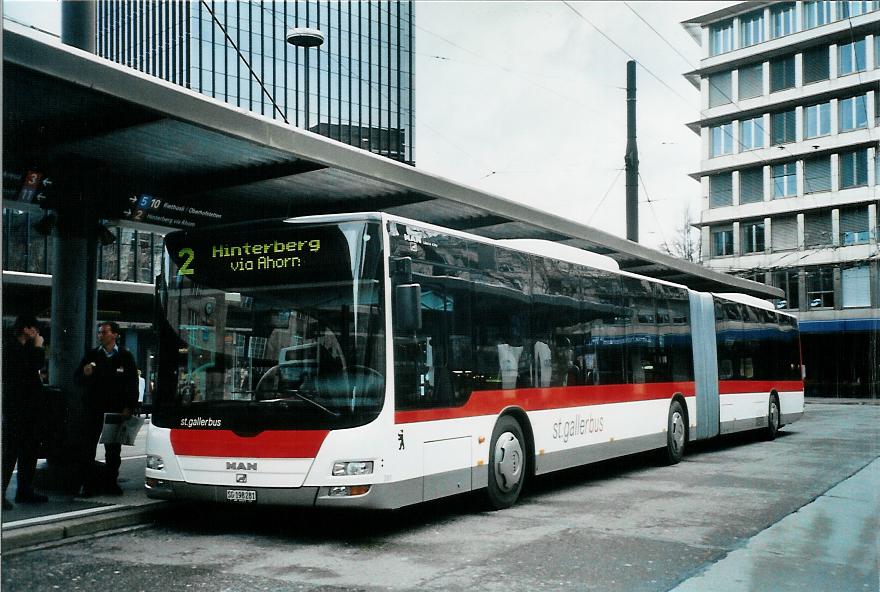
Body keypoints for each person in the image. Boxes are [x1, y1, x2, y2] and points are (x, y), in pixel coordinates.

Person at [74, 321, 138, 496]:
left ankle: (111, 483)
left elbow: (133, 383)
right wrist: (85, 374)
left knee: (113, 449)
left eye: (104, 332)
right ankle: (87, 484)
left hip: (115, 410)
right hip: (93, 408)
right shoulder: (92, 355)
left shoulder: (125, 356)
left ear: (115, 334)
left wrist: (129, 406)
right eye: (99, 333)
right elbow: (77, 379)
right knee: (88, 448)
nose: (100, 335)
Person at [2, 315, 49, 508]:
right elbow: (32, 367)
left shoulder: (23, 348)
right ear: (26, 329)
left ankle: (25, 489)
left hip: (28, 408)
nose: (37, 334)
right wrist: (38, 347)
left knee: (28, 450)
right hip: (17, 408)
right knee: (10, 451)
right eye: (34, 329)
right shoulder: (11, 348)